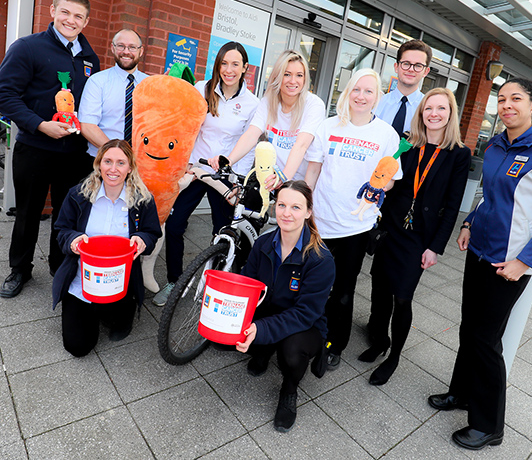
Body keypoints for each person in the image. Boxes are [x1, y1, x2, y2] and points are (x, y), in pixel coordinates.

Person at [428, 78, 532, 451]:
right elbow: (488, 197)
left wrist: (524, 262)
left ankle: (489, 425)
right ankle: (460, 392)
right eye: (502, 99)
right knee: (468, 330)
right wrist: (468, 223)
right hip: (478, 251)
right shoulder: (495, 144)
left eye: (516, 99)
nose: (507, 105)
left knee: (486, 340)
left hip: (508, 264)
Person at [0, 0, 101, 298]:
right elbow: (2, 94)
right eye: (65, 12)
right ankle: (20, 269)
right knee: (28, 211)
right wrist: (40, 125)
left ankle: (59, 265)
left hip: (74, 153)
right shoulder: (28, 48)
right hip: (36, 149)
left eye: (78, 16)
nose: (71, 20)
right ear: (53, 11)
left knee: (66, 214)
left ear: (86, 20)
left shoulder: (89, 58)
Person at [362, 88, 471, 385]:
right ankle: (379, 341)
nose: (434, 114)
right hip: (392, 228)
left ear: (450, 115)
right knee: (380, 289)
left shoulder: (459, 155)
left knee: (402, 297)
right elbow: (392, 182)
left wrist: (435, 247)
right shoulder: (407, 145)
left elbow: (452, 206)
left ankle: (395, 355)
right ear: (421, 113)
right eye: (428, 108)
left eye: (441, 109)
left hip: (419, 236)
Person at [304, 68, 401, 369]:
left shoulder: (386, 134)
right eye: (356, 90)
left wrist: (380, 186)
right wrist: (304, 206)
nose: (361, 96)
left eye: (369, 91)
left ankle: (335, 342)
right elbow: (313, 170)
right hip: (320, 221)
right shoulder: (328, 126)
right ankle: (304, 333)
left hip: (355, 228)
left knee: (344, 291)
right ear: (347, 92)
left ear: (377, 96)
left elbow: (391, 178)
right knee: (309, 284)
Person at [153, 42, 261, 306]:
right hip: (196, 169)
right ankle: (174, 281)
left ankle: (213, 285)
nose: (229, 69)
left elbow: (249, 143)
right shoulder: (202, 88)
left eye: (235, 64)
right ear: (217, 65)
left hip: (226, 176)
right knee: (175, 226)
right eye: (224, 63)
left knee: (221, 232)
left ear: (245, 67)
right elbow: (183, 123)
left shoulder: (252, 103)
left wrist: (238, 178)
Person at [236, 180, 335, 433]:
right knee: (224, 337)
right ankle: (263, 350)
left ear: (308, 212)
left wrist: (259, 328)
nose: (287, 213)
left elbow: (305, 314)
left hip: (305, 325)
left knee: (291, 354)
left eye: (295, 207)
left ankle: (289, 391)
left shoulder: (320, 259)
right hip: (268, 312)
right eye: (281, 205)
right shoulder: (262, 244)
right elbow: (248, 286)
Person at [52, 139, 162, 357]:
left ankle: (123, 311)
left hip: (120, 281)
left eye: (121, 163)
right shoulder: (78, 195)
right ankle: (90, 310)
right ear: (98, 164)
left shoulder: (142, 200)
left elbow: (152, 233)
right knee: (77, 347)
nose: (113, 169)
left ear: (130, 167)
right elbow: (61, 229)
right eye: (108, 161)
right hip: (82, 280)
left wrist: (142, 240)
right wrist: (73, 240)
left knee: (117, 324)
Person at [211, 50, 326, 182]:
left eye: (299, 75)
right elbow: (251, 135)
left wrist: (283, 179)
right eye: (287, 74)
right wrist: (228, 161)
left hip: (298, 183)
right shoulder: (268, 101)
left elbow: (301, 145)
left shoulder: (314, 105)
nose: (293, 81)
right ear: (278, 76)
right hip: (271, 178)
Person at [78, 29, 148, 157]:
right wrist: (118, 154)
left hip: (140, 164)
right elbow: (87, 125)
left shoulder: (150, 84)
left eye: (132, 47)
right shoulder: (97, 81)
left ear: (141, 51)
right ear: (112, 48)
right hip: (102, 159)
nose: (126, 52)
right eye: (121, 46)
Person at [374, 40, 433, 137]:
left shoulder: (429, 109)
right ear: (396, 67)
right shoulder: (377, 104)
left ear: (426, 72)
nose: (411, 69)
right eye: (406, 63)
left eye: (418, 65)